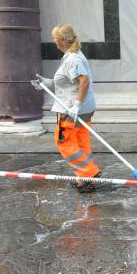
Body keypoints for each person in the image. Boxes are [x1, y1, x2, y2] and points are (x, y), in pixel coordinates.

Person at [31, 24, 102, 192]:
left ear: (62, 40)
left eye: (55, 39)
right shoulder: (72, 55)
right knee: (80, 141)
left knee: (64, 141)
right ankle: (84, 179)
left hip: (72, 109)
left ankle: (89, 173)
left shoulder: (73, 59)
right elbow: (67, 81)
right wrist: (46, 83)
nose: (54, 43)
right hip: (83, 108)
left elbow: (83, 81)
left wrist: (76, 106)